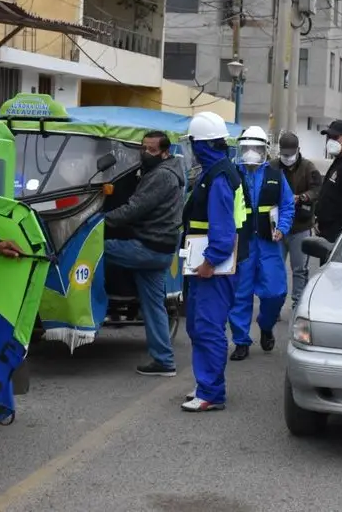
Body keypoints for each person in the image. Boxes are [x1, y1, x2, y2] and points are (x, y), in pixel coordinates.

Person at [181, 112, 250, 412]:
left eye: (193, 144)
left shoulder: (219, 177)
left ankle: (211, 392)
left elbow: (223, 228)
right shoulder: (218, 171)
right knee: (199, 326)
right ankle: (205, 384)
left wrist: (210, 262)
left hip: (215, 267)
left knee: (208, 326)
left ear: (202, 145)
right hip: (208, 262)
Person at [103, 131, 185, 377]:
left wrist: (98, 222)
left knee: (90, 250)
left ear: (165, 153)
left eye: (152, 150)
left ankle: (88, 315)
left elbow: (134, 208)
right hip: (160, 249)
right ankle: (164, 361)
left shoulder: (161, 175)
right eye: (143, 148)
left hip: (148, 247)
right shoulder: (169, 172)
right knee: (153, 306)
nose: (145, 154)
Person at [227, 126, 295, 361]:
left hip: (269, 243)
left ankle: (266, 325)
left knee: (276, 292)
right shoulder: (232, 174)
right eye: (247, 147)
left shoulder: (276, 176)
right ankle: (241, 341)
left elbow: (287, 205)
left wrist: (282, 228)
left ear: (264, 150)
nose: (251, 152)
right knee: (240, 295)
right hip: (242, 243)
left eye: (256, 147)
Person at [270, 132, 322, 312]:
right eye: (284, 154)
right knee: (275, 268)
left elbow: (317, 190)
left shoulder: (309, 168)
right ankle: (274, 305)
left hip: (300, 226)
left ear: (298, 150)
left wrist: (302, 197)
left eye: (290, 154)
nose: (287, 158)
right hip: (276, 227)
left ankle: (297, 304)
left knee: (299, 269)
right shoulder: (272, 166)